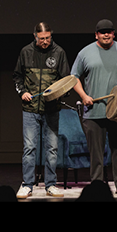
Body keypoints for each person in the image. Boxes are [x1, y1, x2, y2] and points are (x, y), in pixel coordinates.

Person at [71, 19, 117, 195]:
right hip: (94, 112)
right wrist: (84, 96)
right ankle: (97, 187)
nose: (106, 34)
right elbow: (74, 78)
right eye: (102, 32)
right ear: (96, 34)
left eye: (109, 31)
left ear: (113, 33)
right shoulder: (85, 53)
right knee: (96, 154)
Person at [13, 22, 70, 199]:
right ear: (35, 36)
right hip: (30, 109)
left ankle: (51, 184)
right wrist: (23, 92)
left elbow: (66, 81)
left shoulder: (59, 52)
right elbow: (17, 77)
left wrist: (59, 94)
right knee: (29, 147)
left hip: (51, 109)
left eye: (48, 38)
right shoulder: (26, 52)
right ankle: (27, 185)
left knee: (52, 148)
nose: (45, 42)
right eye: (42, 38)